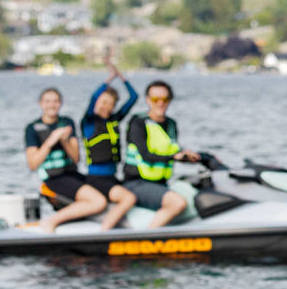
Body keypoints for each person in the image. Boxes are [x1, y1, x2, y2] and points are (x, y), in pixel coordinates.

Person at [122, 79, 204, 229]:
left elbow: (172, 151)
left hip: (161, 184)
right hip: (137, 183)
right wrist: (174, 157)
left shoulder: (171, 124)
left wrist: (188, 157)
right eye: (155, 99)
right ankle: (146, 238)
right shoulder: (138, 123)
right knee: (178, 203)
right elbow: (146, 155)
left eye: (165, 99)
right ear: (148, 100)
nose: (160, 103)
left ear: (170, 100)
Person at [24, 86, 109, 231]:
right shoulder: (32, 128)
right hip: (54, 179)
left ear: (60, 103)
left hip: (72, 174)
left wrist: (64, 140)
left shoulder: (67, 122)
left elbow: (76, 158)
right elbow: (33, 164)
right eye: (48, 101)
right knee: (98, 202)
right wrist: (51, 140)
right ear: (41, 103)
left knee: (106, 190)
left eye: (55, 101)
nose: (52, 105)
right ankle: (51, 222)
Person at [78, 64, 140, 230]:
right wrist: (109, 79)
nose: (105, 106)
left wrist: (122, 77)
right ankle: (104, 232)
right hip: (96, 179)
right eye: (103, 102)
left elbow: (134, 97)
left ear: (113, 107)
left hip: (113, 176)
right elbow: (93, 98)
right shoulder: (88, 122)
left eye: (109, 103)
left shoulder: (114, 120)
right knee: (128, 198)